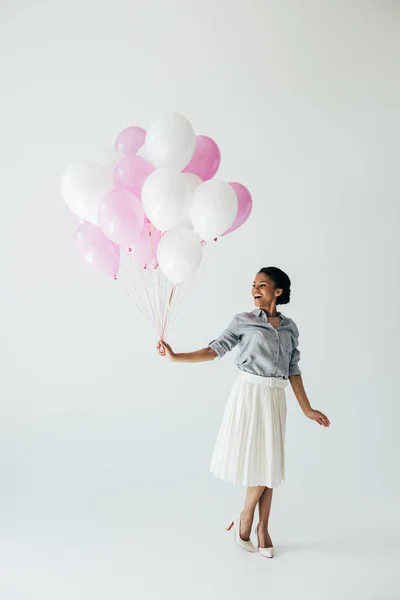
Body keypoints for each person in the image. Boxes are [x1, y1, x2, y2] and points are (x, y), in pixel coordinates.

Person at [157, 266, 330, 558]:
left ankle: (260, 527)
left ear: (278, 291)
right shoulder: (243, 321)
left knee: (270, 466)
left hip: (276, 397)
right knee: (261, 465)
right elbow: (214, 350)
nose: (255, 289)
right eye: (253, 284)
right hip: (249, 394)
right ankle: (249, 520)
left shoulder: (290, 328)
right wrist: (176, 357)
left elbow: (293, 369)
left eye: (262, 285)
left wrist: (307, 409)